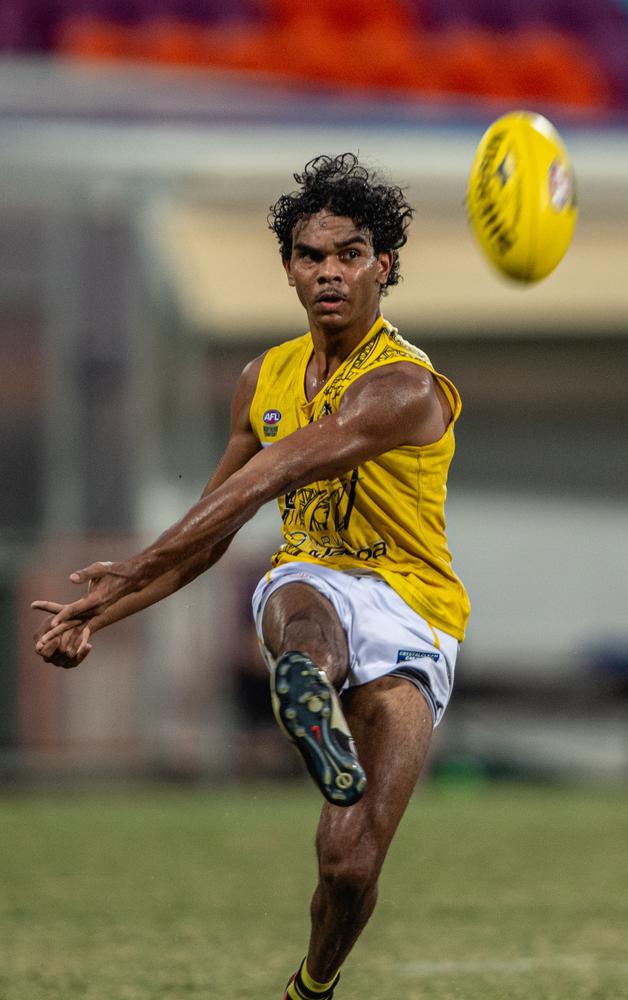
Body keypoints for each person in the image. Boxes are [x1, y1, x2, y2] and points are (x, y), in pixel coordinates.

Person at [32, 153, 470, 1000]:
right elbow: (215, 529)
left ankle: (312, 986)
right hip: (313, 580)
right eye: (312, 256)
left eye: (350, 254)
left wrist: (140, 559)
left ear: (385, 267)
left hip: (417, 613)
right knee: (301, 605)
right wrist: (103, 610)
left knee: (348, 865)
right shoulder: (259, 381)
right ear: (289, 269)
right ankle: (305, 682)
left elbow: (270, 474)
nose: (330, 272)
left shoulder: (403, 385)